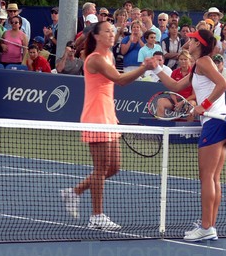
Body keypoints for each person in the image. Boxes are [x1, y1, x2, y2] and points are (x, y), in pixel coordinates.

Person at [60, 21, 156, 230]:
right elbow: (120, 80)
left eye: (113, 31)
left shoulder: (109, 56)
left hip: (108, 115)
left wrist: (112, 115)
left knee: (113, 167)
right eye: (107, 31)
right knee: (101, 168)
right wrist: (144, 67)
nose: (112, 34)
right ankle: (97, 216)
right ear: (96, 36)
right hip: (95, 116)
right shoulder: (94, 59)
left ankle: (74, 192)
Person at [155, 28, 226, 241]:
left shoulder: (203, 62)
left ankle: (206, 226)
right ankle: (209, 226)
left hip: (214, 121)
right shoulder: (197, 66)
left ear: (198, 43)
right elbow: (175, 85)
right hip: (221, 122)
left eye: (191, 40)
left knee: (207, 177)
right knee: (213, 177)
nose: (188, 42)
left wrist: (203, 105)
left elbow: (223, 84)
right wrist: (156, 68)